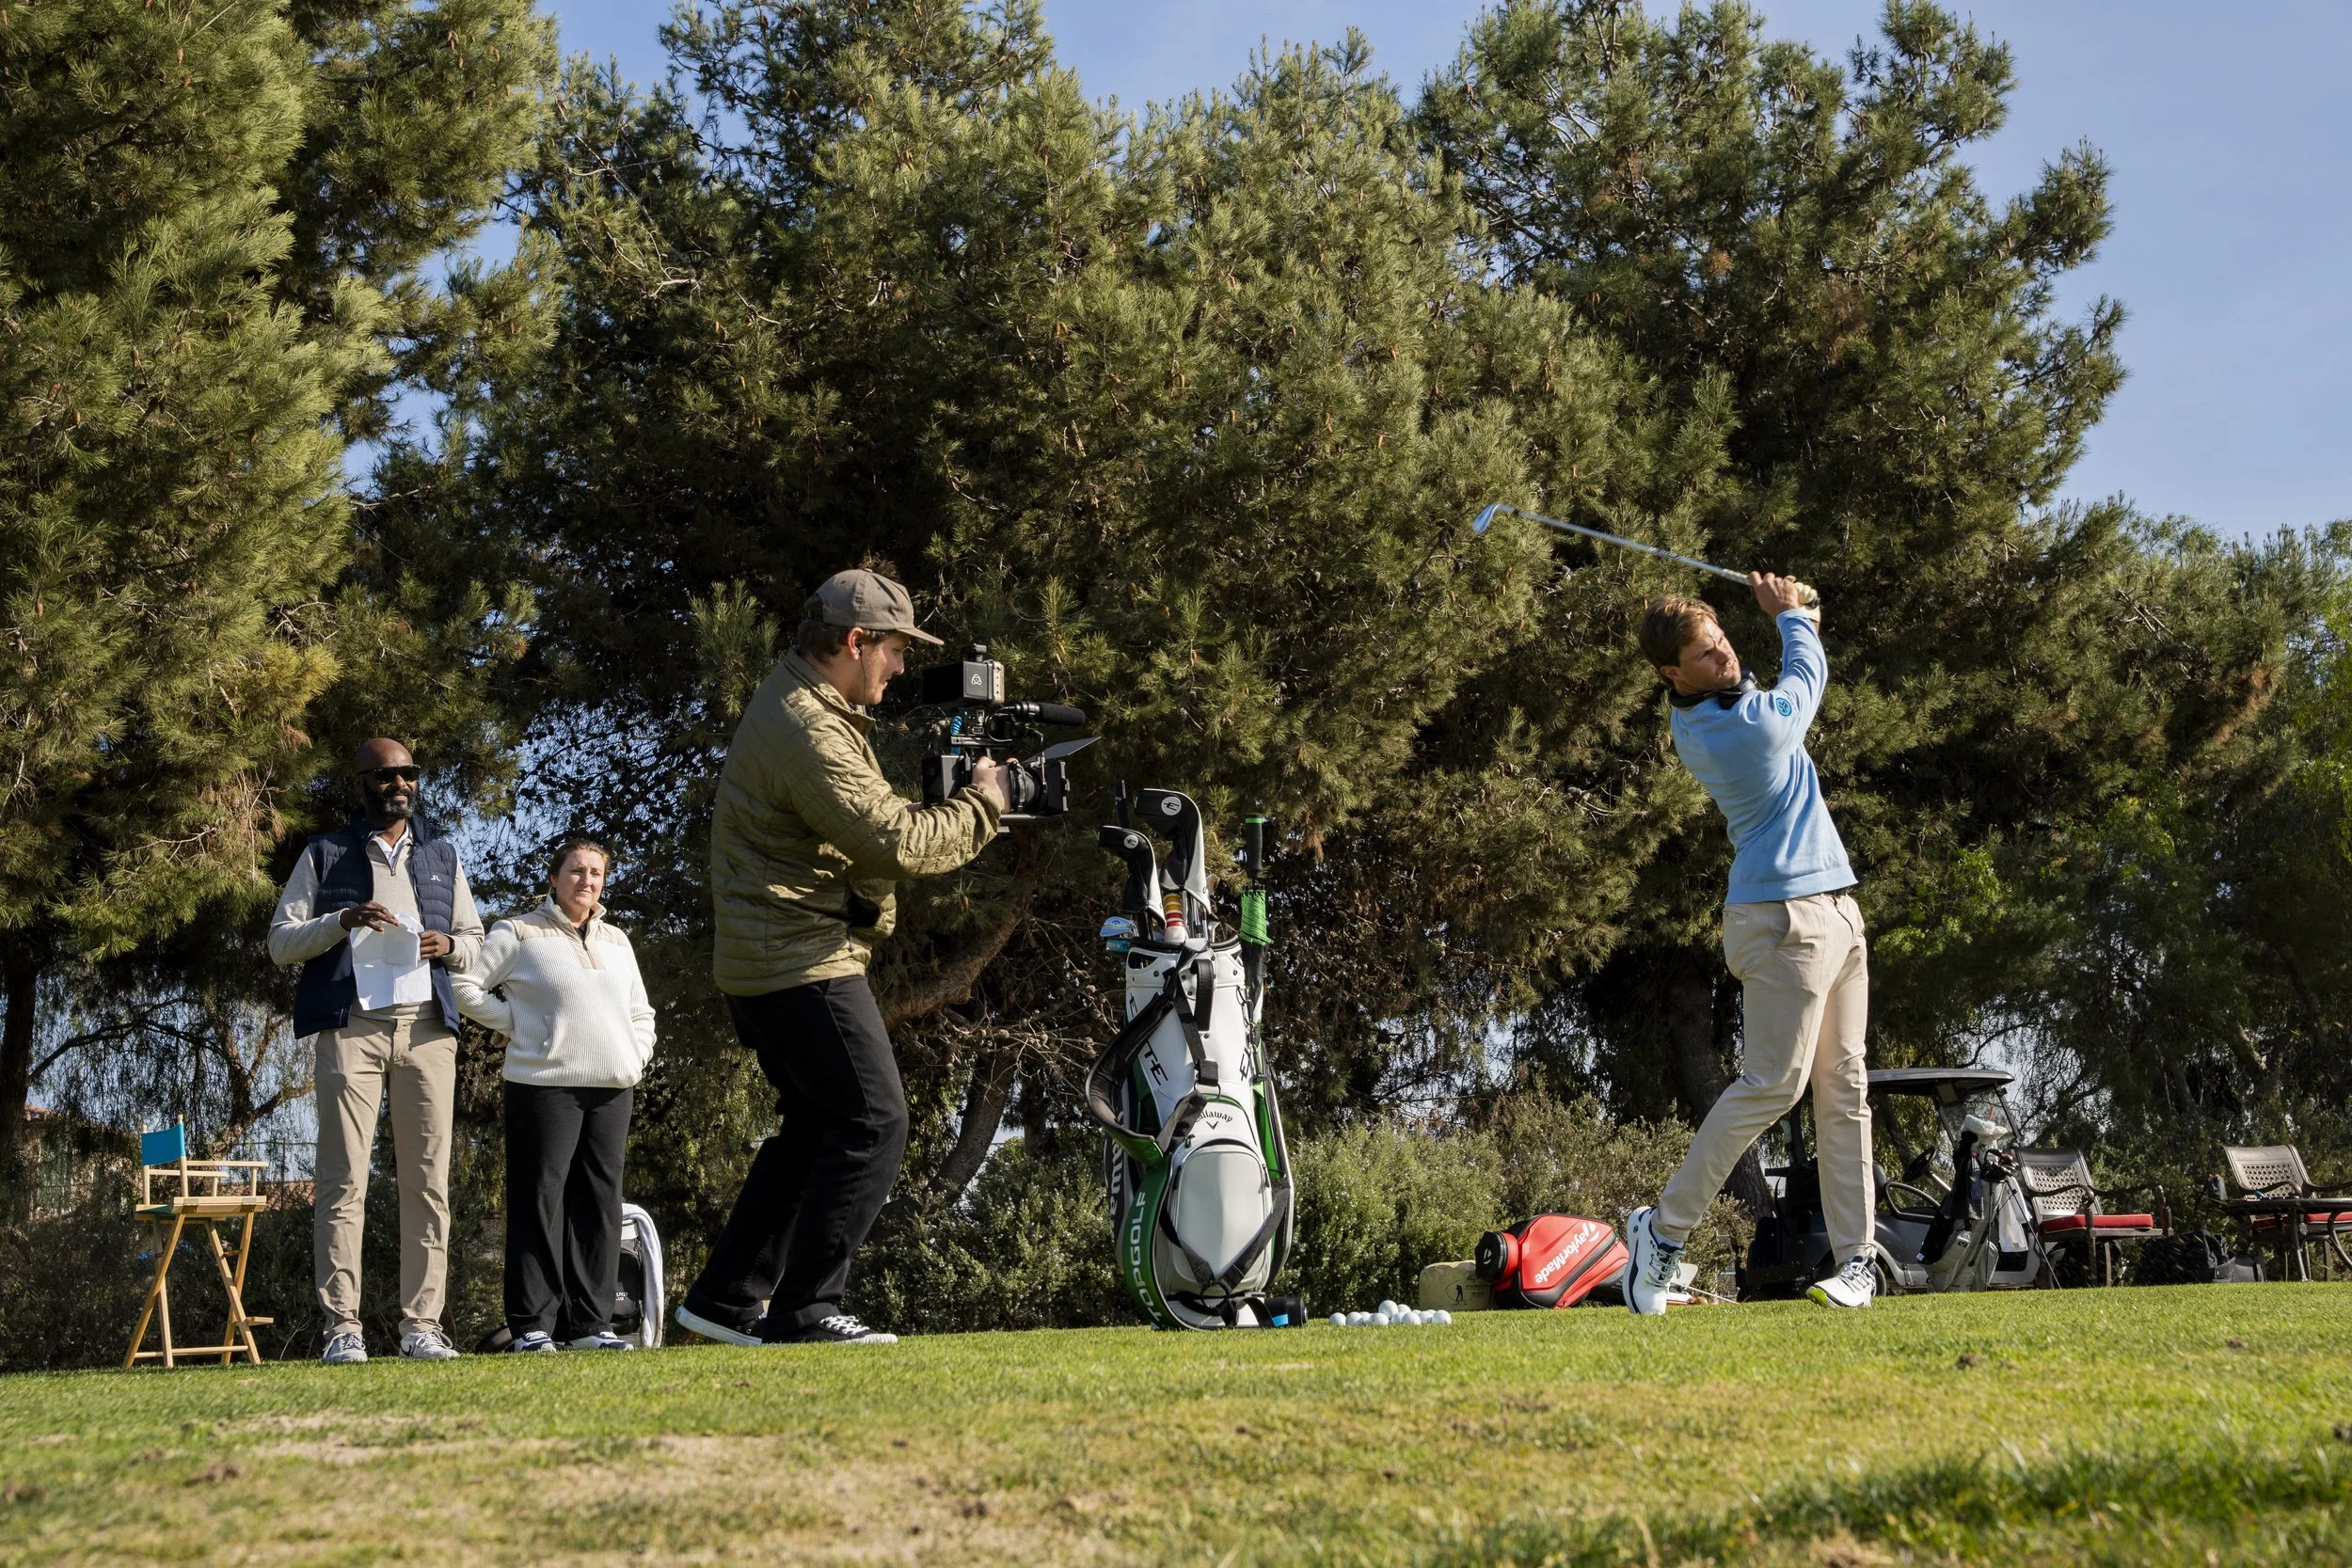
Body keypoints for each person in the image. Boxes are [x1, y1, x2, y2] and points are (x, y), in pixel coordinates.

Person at [675, 569, 1009, 1348]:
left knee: (817, 1126)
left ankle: (724, 1299)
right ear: (855, 642)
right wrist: (984, 804)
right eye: (893, 649)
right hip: (798, 959)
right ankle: (806, 1308)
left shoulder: (808, 705)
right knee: (875, 1117)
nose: (898, 666)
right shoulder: (807, 726)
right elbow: (895, 841)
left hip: (772, 962)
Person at [1622, 574, 1876, 1313]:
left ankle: (1858, 1261)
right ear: (1673, 674)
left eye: (1724, 641)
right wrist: (1792, 617)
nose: (1724, 657)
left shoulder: (1731, 702)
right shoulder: (1737, 730)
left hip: (1836, 908)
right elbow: (1807, 675)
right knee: (1772, 1083)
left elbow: (1807, 644)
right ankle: (1664, 1233)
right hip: (1782, 918)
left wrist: (1804, 606)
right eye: (1706, 655)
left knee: (1845, 1088)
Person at [269, 738, 485, 1362]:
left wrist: (447, 944)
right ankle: (343, 1327)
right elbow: (280, 942)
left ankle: (422, 1325)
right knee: (342, 1180)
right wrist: (339, 923)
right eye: (386, 775)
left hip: (427, 1030)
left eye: (408, 773)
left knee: (428, 1181)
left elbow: (475, 938)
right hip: (351, 1028)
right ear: (360, 781)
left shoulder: (442, 854)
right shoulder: (325, 852)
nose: (399, 784)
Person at [452, 835, 657, 1353]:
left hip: (612, 1087)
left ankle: (591, 1325)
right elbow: (464, 987)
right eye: (575, 870)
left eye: (595, 872)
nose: (585, 880)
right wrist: (517, 1024)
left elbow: (641, 1014)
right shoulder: (518, 932)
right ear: (554, 876)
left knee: (600, 1204)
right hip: (543, 1085)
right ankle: (532, 1327)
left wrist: (635, 1057)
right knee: (539, 1201)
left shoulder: (617, 941)